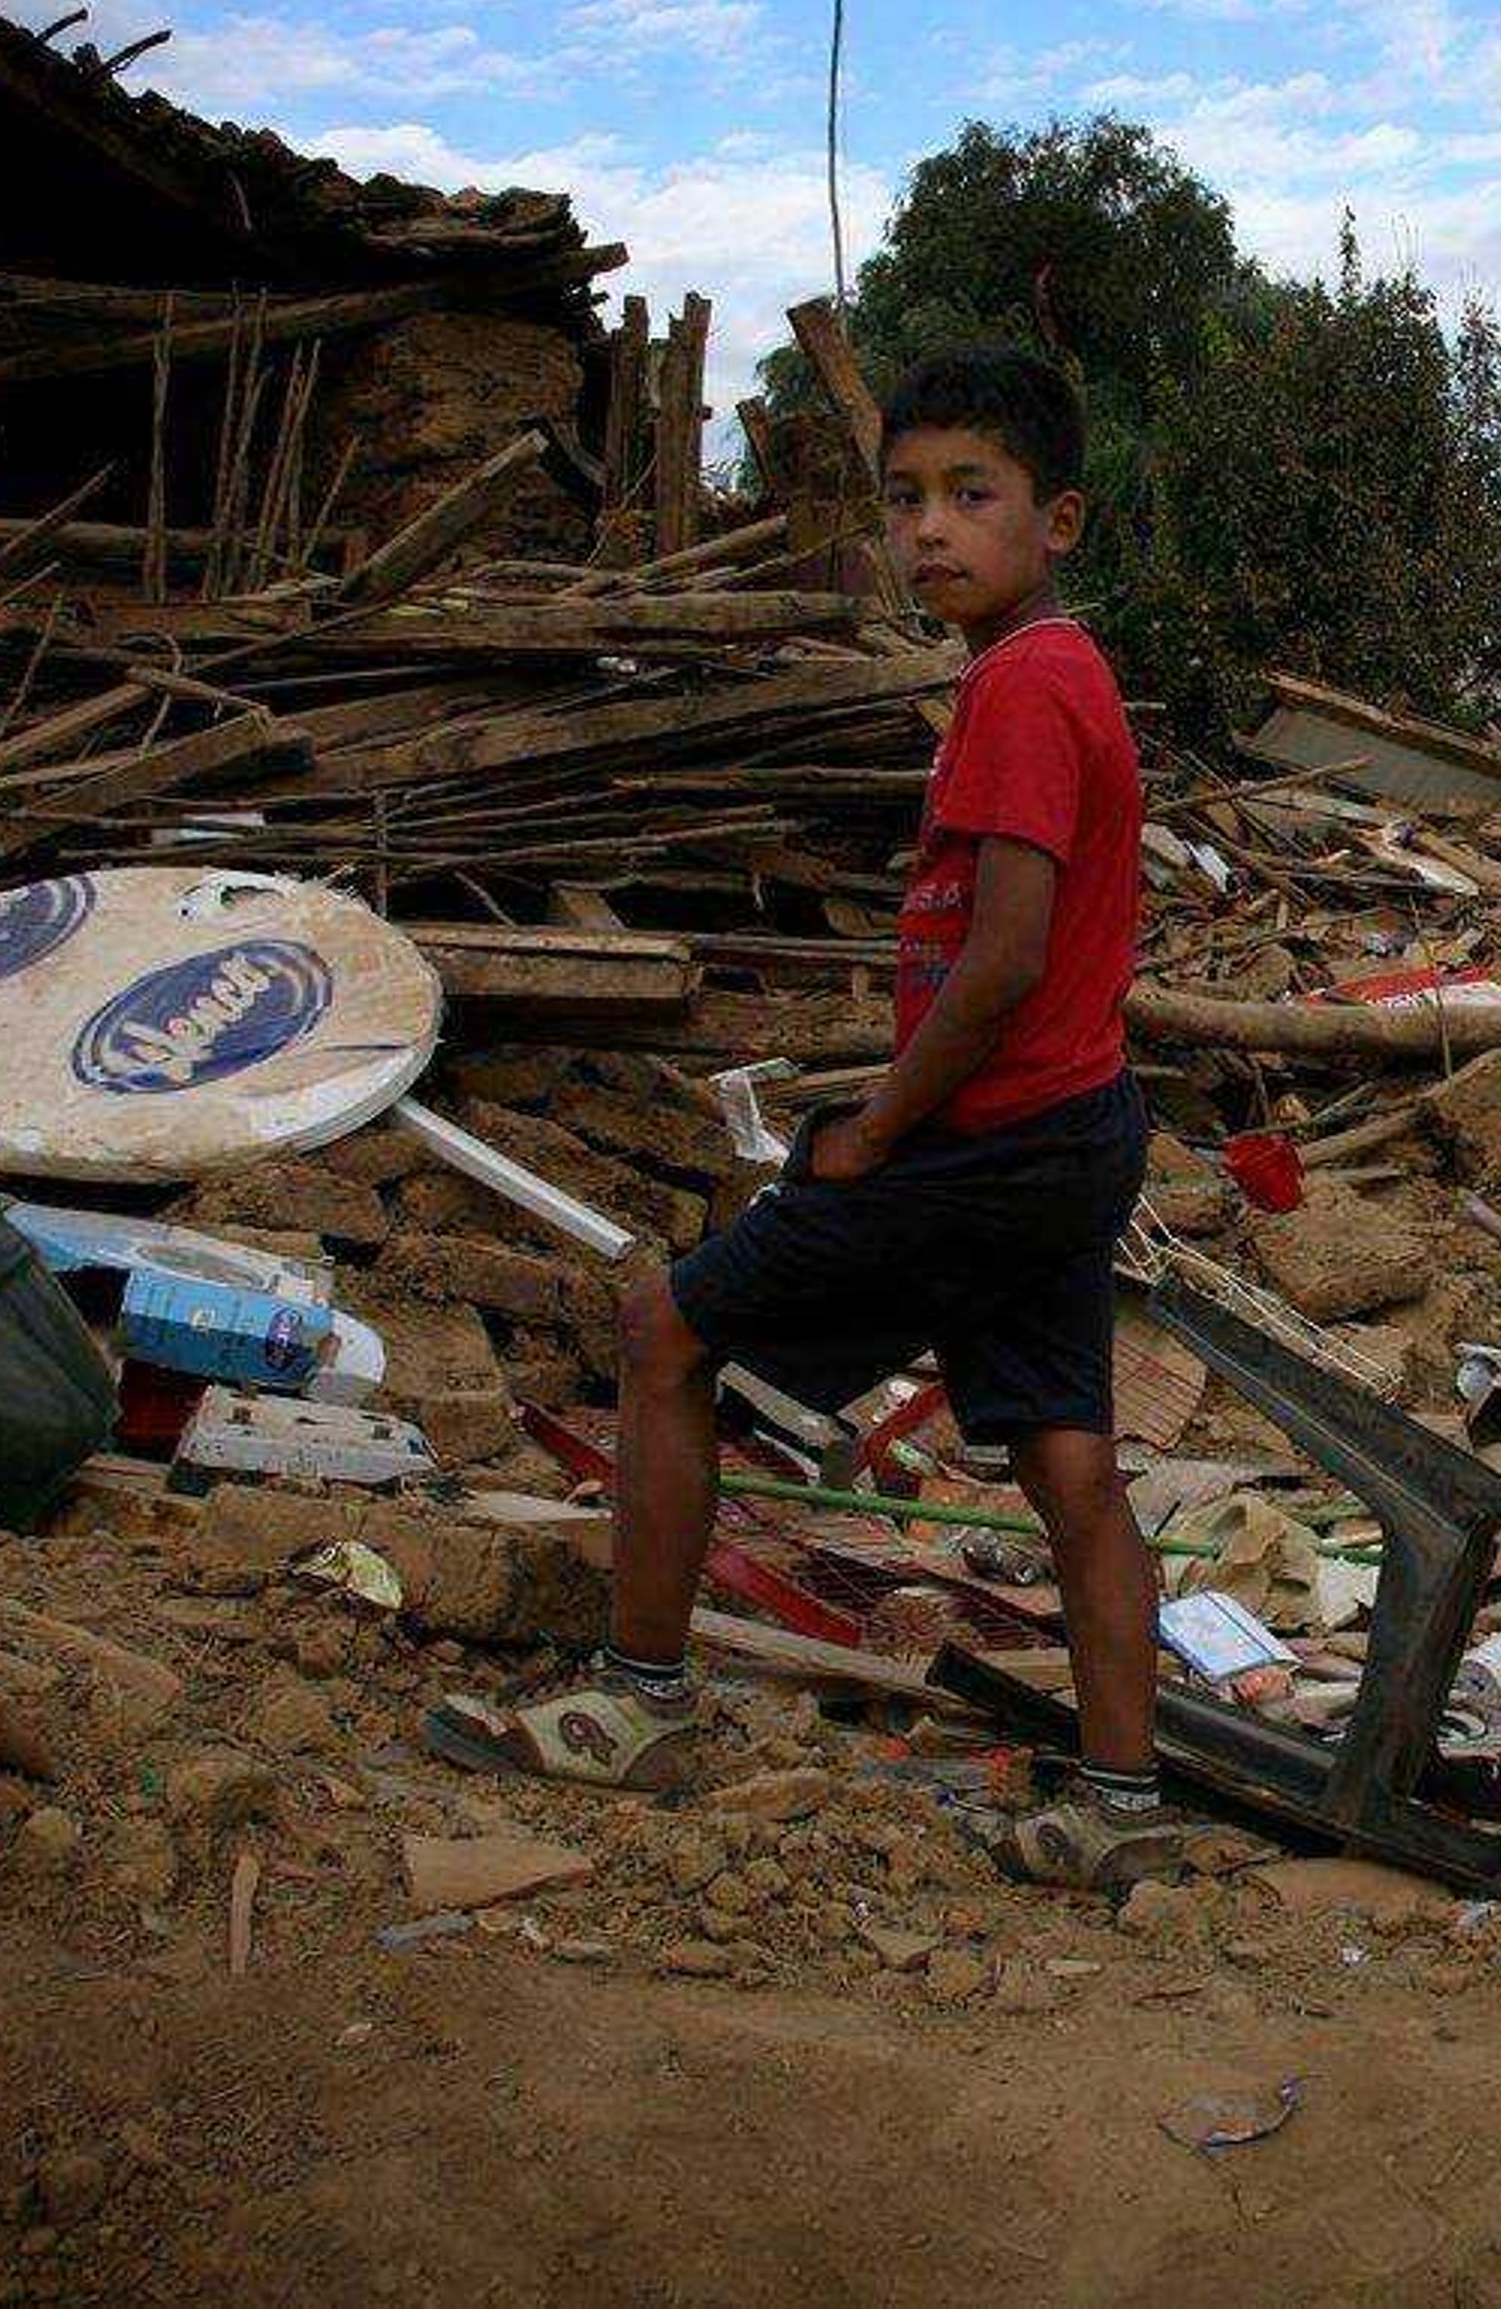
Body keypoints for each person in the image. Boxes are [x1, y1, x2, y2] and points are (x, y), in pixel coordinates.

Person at [425, 347, 1189, 1889]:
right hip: (1070, 1130)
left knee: (667, 1331)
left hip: (982, 1145)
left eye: (972, 496)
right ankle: (1119, 1807)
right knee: (1070, 1465)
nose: (931, 530)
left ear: (1062, 521)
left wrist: (874, 1132)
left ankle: (639, 1704)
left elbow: (1003, 957)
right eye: (906, 498)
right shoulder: (1055, 671)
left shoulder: (1022, 689)